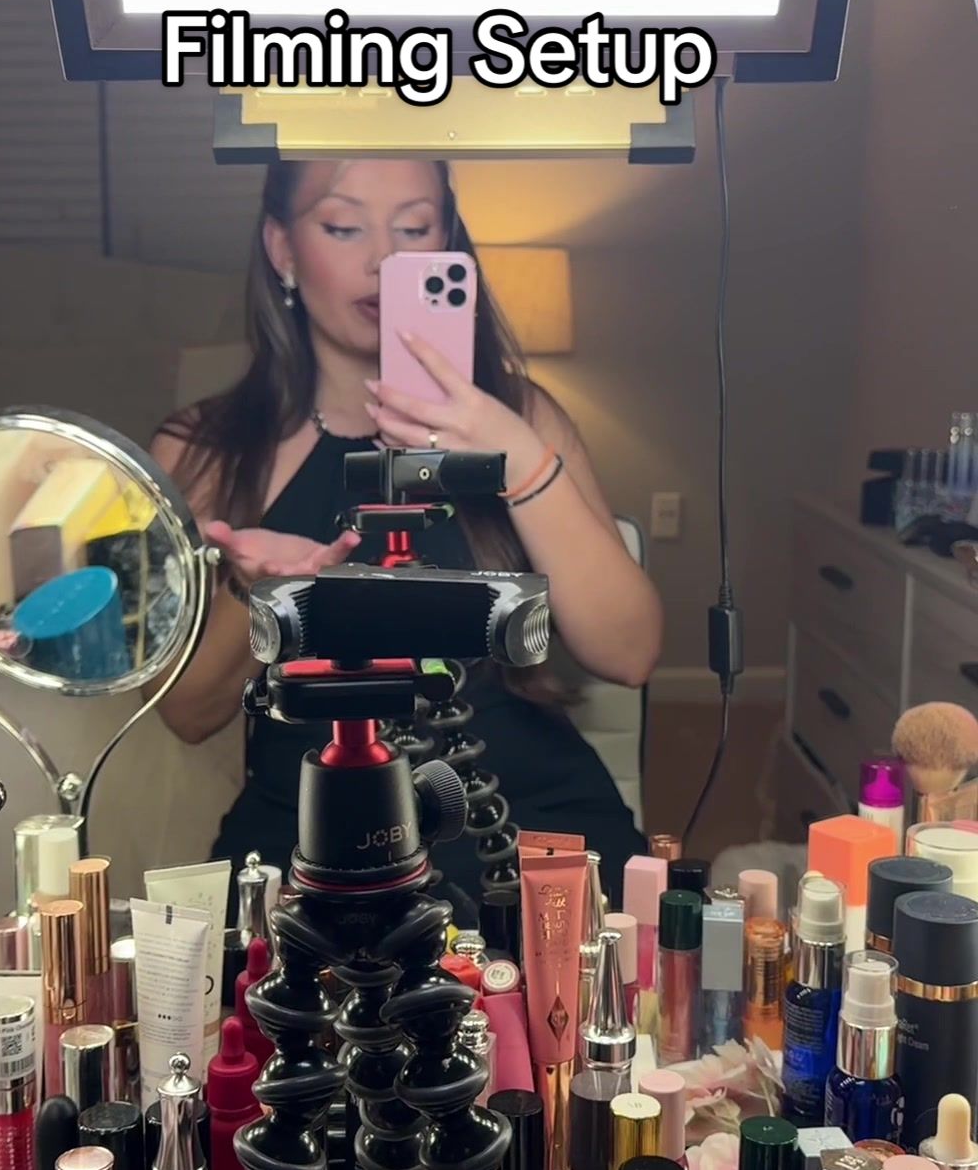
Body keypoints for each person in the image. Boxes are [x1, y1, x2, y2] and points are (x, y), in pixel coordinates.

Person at [151, 157, 663, 907]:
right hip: (307, 839)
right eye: (343, 226)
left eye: (414, 228)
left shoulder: (521, 418)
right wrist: (258, 592)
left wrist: (516, 453)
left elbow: (631, 652)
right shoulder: (208, 451)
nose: (384, 259)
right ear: (283, 247)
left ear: (447, 242)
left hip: (531, 825)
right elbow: (187, 713)